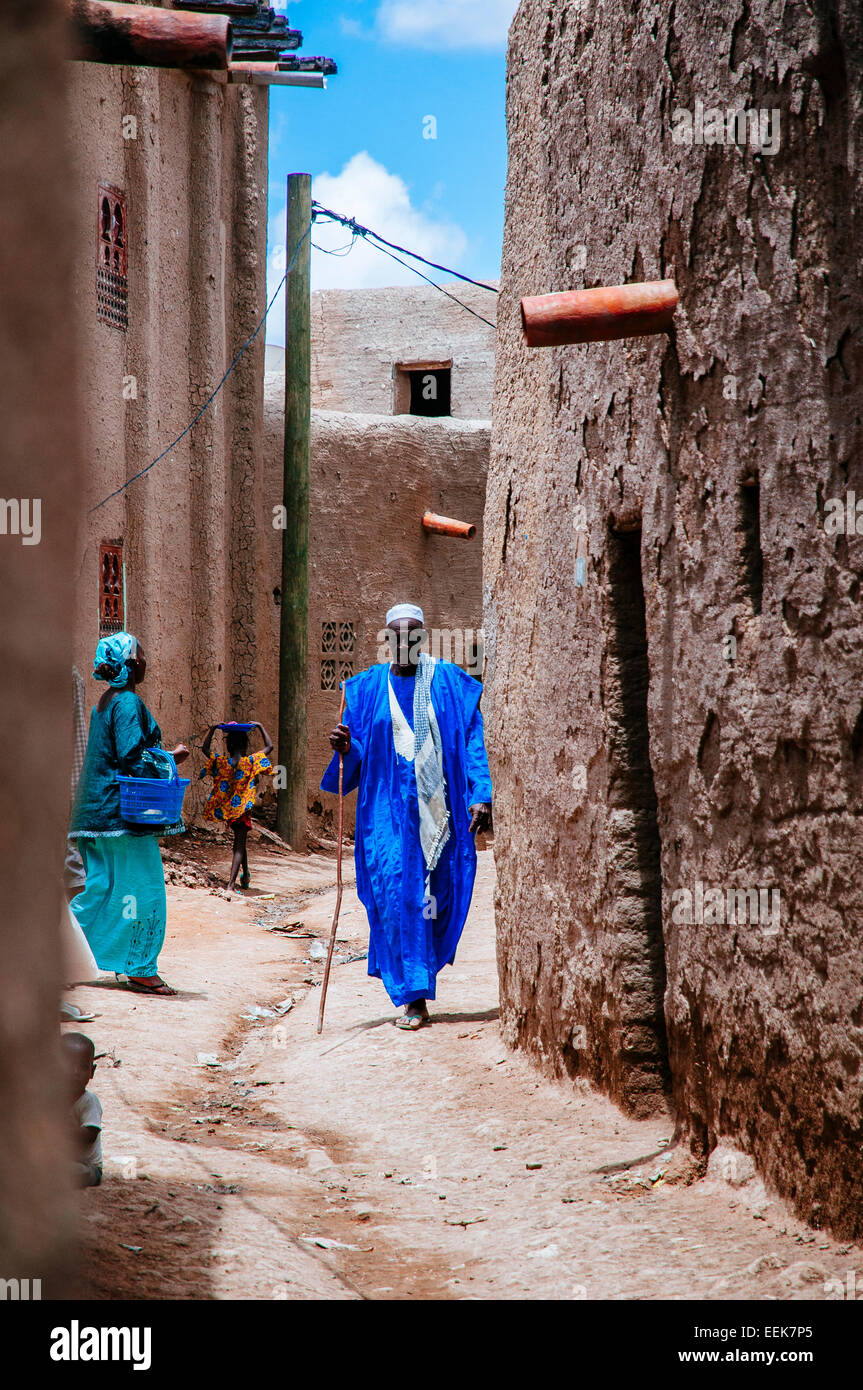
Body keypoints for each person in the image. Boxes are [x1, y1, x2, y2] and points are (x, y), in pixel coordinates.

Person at [322, 602, 492, 1029]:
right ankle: (415, 997)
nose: (405, 643)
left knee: (437, 899)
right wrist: (345, 747)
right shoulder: (362, 691)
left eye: (413, 635)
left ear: (423, 638)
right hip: (383, 818)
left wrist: (480, 795)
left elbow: (473, 738)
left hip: (439, 815)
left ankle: (421, 978)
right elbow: (356, 758)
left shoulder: (448, 683)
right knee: (395, 897)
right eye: (396, 636)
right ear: (386, 640)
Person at [68, 632, 189, 996]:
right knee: (145, 890)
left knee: (98, 889)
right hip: (122, 815)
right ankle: (140, 968)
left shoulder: (103, 703)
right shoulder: (127, 704)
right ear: (133, 665)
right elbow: (132, 759)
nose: (147, 659)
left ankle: (58, 956)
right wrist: (171, 758)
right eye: (143, 654)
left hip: (93, 813)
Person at [200, 721, 273, 891]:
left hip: (228, 810)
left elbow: (205, 749)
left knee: (239, 842)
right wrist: (261, 726)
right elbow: (269, 746)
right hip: (244, 811)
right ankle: (231, 885)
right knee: (239, 845)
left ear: (228, 744)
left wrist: (212, 729)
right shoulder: (250, 762)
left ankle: (245, 874)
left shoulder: (222, 762)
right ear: (245, 744)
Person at [61, 1032, 103, 1189]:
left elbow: (90, 1135)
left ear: (92, 1072)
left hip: (88, 1167)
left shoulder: (89, 1101)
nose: (75, 1072)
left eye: (83, 1067)